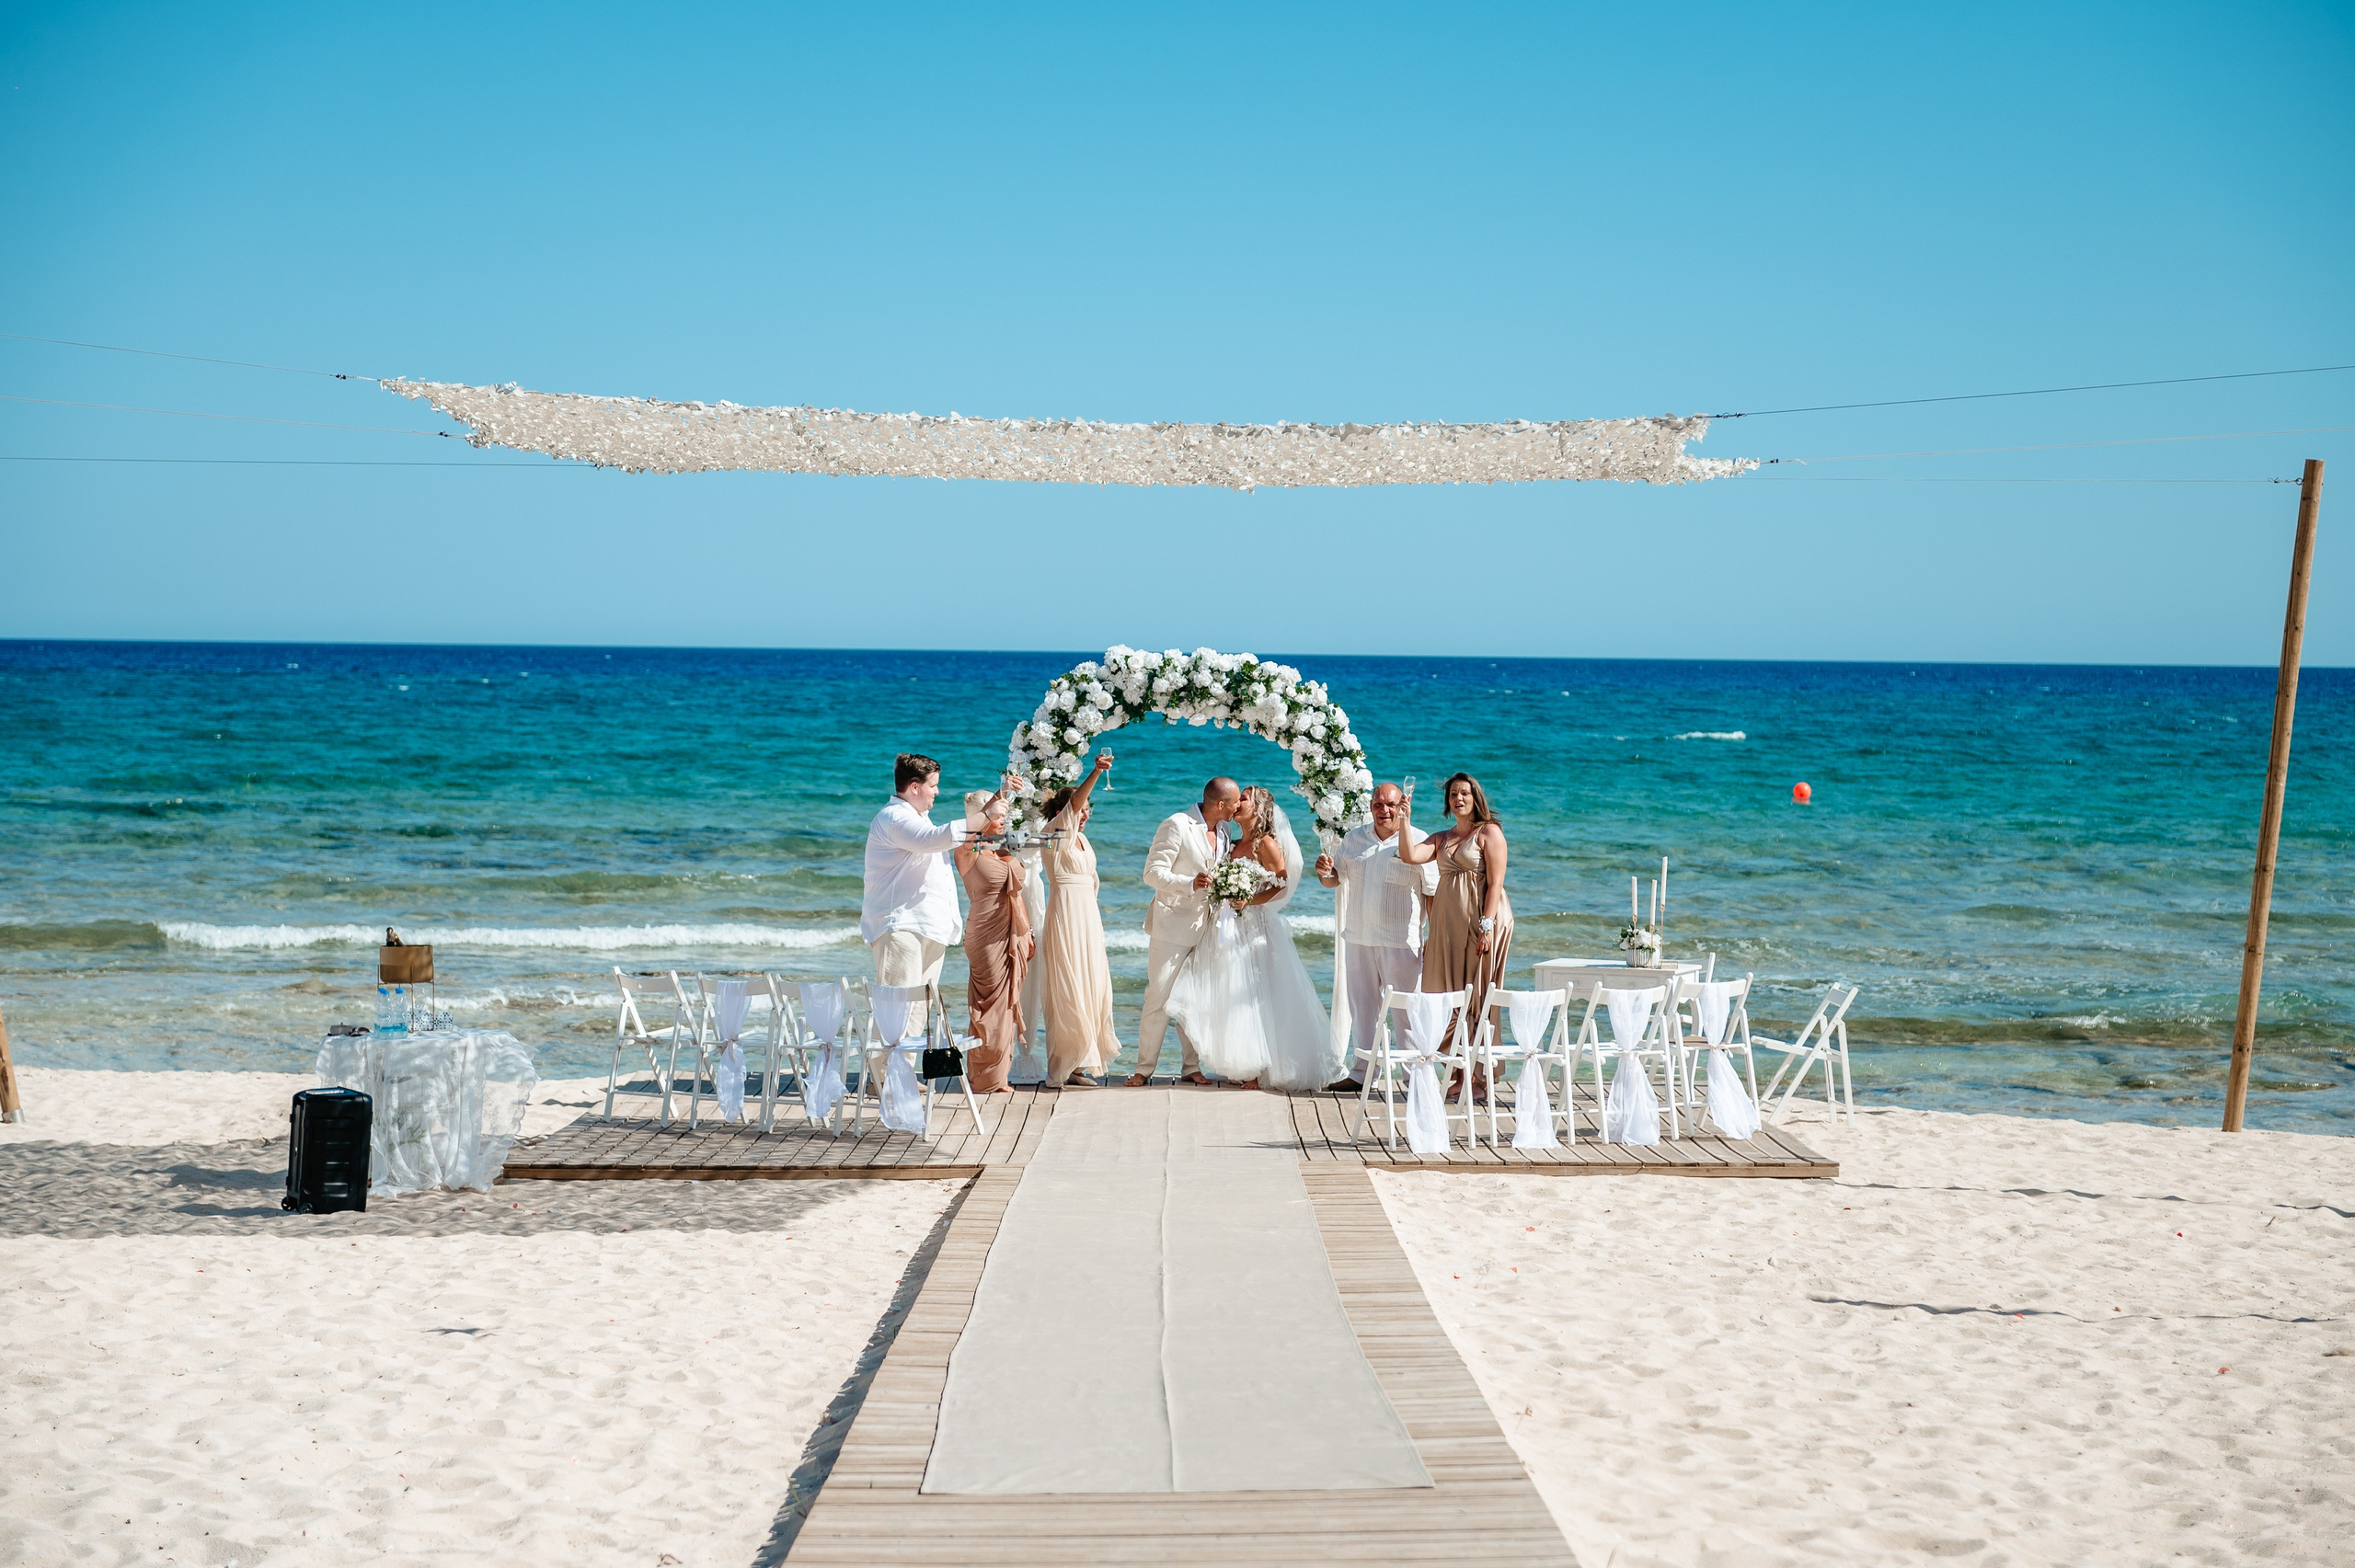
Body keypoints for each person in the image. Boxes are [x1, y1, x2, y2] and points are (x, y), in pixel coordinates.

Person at [1166, 784, 1335, 1093]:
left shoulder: (1265, 844)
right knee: (1229, 993)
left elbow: (1282, 884)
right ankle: (1239, 1062)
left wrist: (1249, 900)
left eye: (1244, 798)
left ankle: (1259, 1071)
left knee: (1255, 995)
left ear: (1257, 809)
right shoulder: (1231, 843)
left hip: (1255, 928)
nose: (1238, 802)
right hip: (1226, 925)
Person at [1314, 782, 1437, 1092]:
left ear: (1402, 806)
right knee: (1363, 1009)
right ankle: (1362, 1074)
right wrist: (1324, 872)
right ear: (1370, 806)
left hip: (1401, 941)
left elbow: (1432, 892)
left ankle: (1415, 1078)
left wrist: (1433, 937)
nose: (1384, 810)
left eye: (1391, 805)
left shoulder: (1418, 840)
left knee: (1406, 1012)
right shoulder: (1354, 838)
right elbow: (1334, 880)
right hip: (1358, 936)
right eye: (1378, 804)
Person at [1394, 773, 1513, 1087]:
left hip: (1482, 922)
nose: (1458, 798)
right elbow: (1409, 856)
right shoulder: (1441, 838)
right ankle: (1458, 1073)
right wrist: (1404, 819)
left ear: (1475, 798)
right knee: (1448, 996)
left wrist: (1486, 926)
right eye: (1453, 795)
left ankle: (1478, 1077)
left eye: (1464, 793)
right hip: (1447, 928)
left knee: (1477, 996)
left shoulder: (1489, 832)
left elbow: (1496, 883)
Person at [860, 753, 992, 1028]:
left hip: (927, 926)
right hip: (901, 926)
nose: (937, 791)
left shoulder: (918, 819)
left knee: (919, 1013)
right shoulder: (894, 817)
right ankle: (887, 1060)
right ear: (914, 787)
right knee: (897, 1014)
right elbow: (933, 839)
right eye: (933, 785)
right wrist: (986, 816)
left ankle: (907, 1059)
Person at [1132, 776, 1239, 1085]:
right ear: (1221, 804)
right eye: (1234, 802)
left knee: (1194, 1000)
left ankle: (1191, 1068)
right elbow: (1152, 873)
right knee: (1159, 997)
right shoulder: (1177, 824)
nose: (1238, 807)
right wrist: (1189, 883)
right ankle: (1143, 1069)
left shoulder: (1225, 830)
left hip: (1209, 927)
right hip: (1172, 925)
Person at [1039, 751, 1120, 1087]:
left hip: (1088, 917)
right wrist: (1096, 772)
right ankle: (1062, 1066)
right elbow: (1072, 807)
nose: (1084, 815)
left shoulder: (1083, 839)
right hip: (1066, 915)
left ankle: (1080, 1066)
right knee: (1069, 987)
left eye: (1088, 810)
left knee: (1093, 985)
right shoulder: (1053, 833)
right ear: (1064, 813)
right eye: (1081, 809)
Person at [955, 790, 1030, 1093]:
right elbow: (969, 834)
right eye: (997, 815)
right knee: (989, 1007)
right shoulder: (967, 851)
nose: (1002, 820)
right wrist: (998, 794)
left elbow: (1016, 893)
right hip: (985, 936)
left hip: (1014, 934)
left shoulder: (1001, 849)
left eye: (1004, 815)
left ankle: (999, 1077)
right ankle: (983, 1077)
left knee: (1007, 1005)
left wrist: (1028, 933)